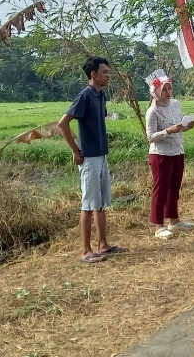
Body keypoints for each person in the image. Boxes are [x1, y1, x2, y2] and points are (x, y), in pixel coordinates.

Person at [58, 56, 125, 264]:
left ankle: (102, 244)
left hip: (101, 155)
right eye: (104, 72)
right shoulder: (85, 96)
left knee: (100, 202)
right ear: (93, 74)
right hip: (88, 158)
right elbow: (62, 124)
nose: (108, 75)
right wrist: (76, 151)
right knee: (88, 204)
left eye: (108, 72)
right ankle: (86, 250)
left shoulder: (100, 95)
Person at [144, 69, 194, 240]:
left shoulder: (175, 104)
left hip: (177, 150)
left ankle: (174, 220)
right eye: (164, 90)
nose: (167, 92)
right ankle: (158, 226)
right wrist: (168, 131)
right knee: (161, 189)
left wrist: (186, 126)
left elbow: (179, 126)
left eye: (169, 88)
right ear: (156, 92)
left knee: (174, 186)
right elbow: (151, 137)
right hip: (161, 154)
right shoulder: (152, 111)